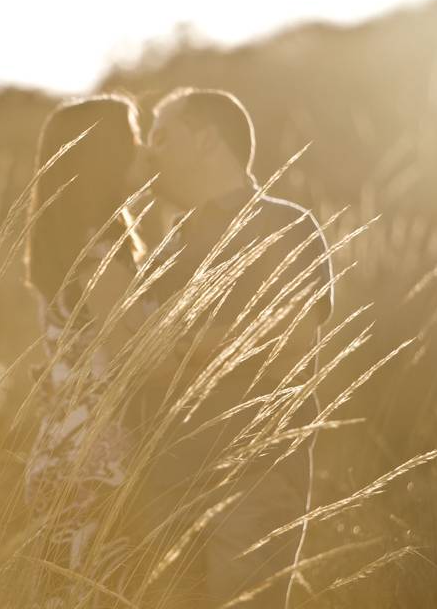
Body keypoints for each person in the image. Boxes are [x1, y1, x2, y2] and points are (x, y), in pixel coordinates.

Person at [129, 88, 335, 608]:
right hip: (166, 485)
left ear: (205, 140)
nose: (149, 151)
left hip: (254, 481)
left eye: (161, 136)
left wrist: (182, 347)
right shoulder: (167, 247)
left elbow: (291, 343)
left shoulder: (286, 226)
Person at [22, 94, 150, 606]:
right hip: (101, 460)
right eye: (135, 139)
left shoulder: (67, 248)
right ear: (107, 157)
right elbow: (146, 357)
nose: (145, 152)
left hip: (64, 452)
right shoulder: (100, 254)